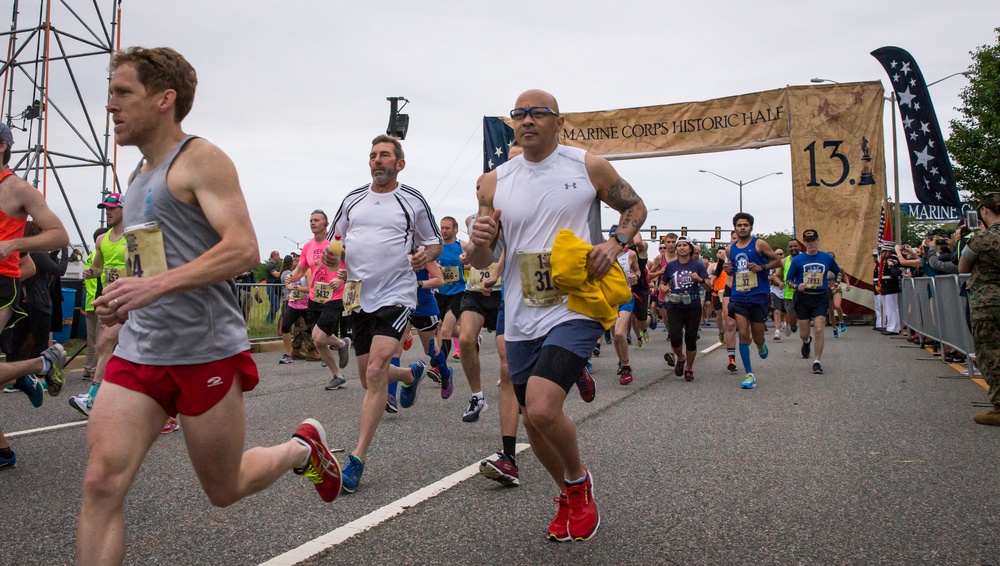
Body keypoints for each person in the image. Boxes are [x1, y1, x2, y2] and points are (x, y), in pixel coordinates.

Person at [77, 47, 343, 566]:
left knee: (224, 487)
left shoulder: (199, 159)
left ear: (164, 100)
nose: (111, 105)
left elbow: (242, 247)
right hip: (140, 352)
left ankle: (301, 449)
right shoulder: (135, 178)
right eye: (111, 92)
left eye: (123, 92)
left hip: (205, 351)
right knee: (100, 481)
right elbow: (148, 265)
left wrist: (155, 288)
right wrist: (125, 298)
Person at [468, 90, 646, 542]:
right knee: (531, 419)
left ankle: (579, 482)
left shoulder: (585, 165)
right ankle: (566, 492)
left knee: (545, 408)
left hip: (576, 303)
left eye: (538, 113)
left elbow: (634, 206)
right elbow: (480, 258)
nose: (527, 121)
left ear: (558, 120)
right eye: (519, 115)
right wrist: (481, 239)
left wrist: (615, 242)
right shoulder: (493, 182)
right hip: (523, 308)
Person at [325, 134, 442, 493]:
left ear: (399, 164)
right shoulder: (352, 200)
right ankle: (410, 374)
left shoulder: (412, 200)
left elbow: (435, 241)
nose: (378, 160)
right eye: (373, 155)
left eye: (385, 155)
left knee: (376, 371)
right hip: (358, 296)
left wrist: (426, 256)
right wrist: (333, 258)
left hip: (397, 293)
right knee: (368, 378)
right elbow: (335, 243)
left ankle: (356, 459)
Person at [70, 193, 128, 417]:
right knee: (106, 344)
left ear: (124, 209)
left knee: (115, 345)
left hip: (134, 301)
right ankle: (95, 398)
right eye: (106, 208)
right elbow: (98, 267)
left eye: (112, 208)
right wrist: (90, 272)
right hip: (112, 302)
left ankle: (167, 406)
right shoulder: (102, 240)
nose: (108, 212)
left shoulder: (134, 238)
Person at [282, 210, 352, 389]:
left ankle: (341, 343)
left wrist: (341, 278)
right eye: (311, 220)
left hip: (333, 295)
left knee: (320, 338)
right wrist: (293, 277)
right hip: (315, 297)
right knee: (318, 340)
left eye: (317, 220)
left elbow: (350, 266)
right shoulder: (307, 246)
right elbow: (300, 269)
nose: (313, 223)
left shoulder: (335, 244)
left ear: (326, 224)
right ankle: (337, 374)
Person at [726, 213, 782, 389]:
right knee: (743, 333)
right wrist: (729, 269)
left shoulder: (759, 244)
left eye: (746, 225)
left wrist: (762, 267)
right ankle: (749, 374)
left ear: (751, 227)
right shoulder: (730, 249)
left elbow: (778, 261)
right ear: (735, 227)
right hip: (738, 295)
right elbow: (732, 270)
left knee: (757, 336)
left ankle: (761, 345)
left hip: (758, 295)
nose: (742, 228)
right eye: (739, 225)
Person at [959, 193, 1000, 426]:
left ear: (984, 211)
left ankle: (999, 405)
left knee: (991, 353)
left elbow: (962, 266)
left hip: (988, 303)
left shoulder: (980, 240)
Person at [786, 229, 842, 374]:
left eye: (813, 241)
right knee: (804, 332)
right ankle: (806, 342)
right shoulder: (798, 260)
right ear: (804, 243)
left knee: (819, 329)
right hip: (803, 298)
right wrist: (797, 286)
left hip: (820, 296)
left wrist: (836, 282)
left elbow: (839, 272)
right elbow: (788, 280)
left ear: (818, 241)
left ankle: (817, 361)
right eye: (808, 241)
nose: (811, 244)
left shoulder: (826, 258)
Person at [662, 237, 711, 381]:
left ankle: (689, 369)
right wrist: (663, 287)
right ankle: (680, 358)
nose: (681, 248)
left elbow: (709, 286)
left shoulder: (698, 266)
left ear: (690, 248)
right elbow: (663, 282)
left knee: (690, 339)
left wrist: (700, 280)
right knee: (675, 338)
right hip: (674, 305)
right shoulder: (671, 266)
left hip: (693, 305)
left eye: (684, 245)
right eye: (679, 245)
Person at [610, 226, 640, 385]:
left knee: (620, 333)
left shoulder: (631, 254)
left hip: (626, 297)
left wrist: (635, 276)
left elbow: (637, 271)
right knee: (615, 336)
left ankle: (626, 366)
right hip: (609, 300)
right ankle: (621, 362)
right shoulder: (603, 255)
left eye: (618, 237)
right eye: (612, 236)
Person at [434, 216, 466, 361]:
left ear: (456, 230)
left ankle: (440, 367)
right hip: (441, 292)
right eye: (442, 228)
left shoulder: (462, 246)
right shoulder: (436, 247)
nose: (444, 231)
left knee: (446, 329)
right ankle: (470, 336)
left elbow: (476, 262)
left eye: (447, 228)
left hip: (458, 292)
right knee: (440, 326)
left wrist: (467, 261)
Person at [82, 227, 111, 380]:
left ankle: (87, 369)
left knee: (91, 339)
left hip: (89, 301)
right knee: (101, 339)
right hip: (101, 300)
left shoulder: (90, 256)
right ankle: (95, 372)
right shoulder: (104, 255)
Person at [768, 248, 786, 340]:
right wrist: (776, 280)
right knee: (777, 310)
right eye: (777, 254)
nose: (779, 256)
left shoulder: (787, 264)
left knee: (785, 311)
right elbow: (770, 276)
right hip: (774, 290)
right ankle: (777, 331)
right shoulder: (771, 265)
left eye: (781, 254)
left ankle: (784, 322)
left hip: (786, 289)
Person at [263, 250, 282, 323]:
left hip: (275, 287)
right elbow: (276, 274)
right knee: (275, 305)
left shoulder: (276, 265)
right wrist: (284, 271)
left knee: (275, 305)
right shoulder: (270, 265)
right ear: (274, 256)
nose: (279, 257)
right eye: (278, 255)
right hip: (271, 287)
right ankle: (268, 320)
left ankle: (270, 320)